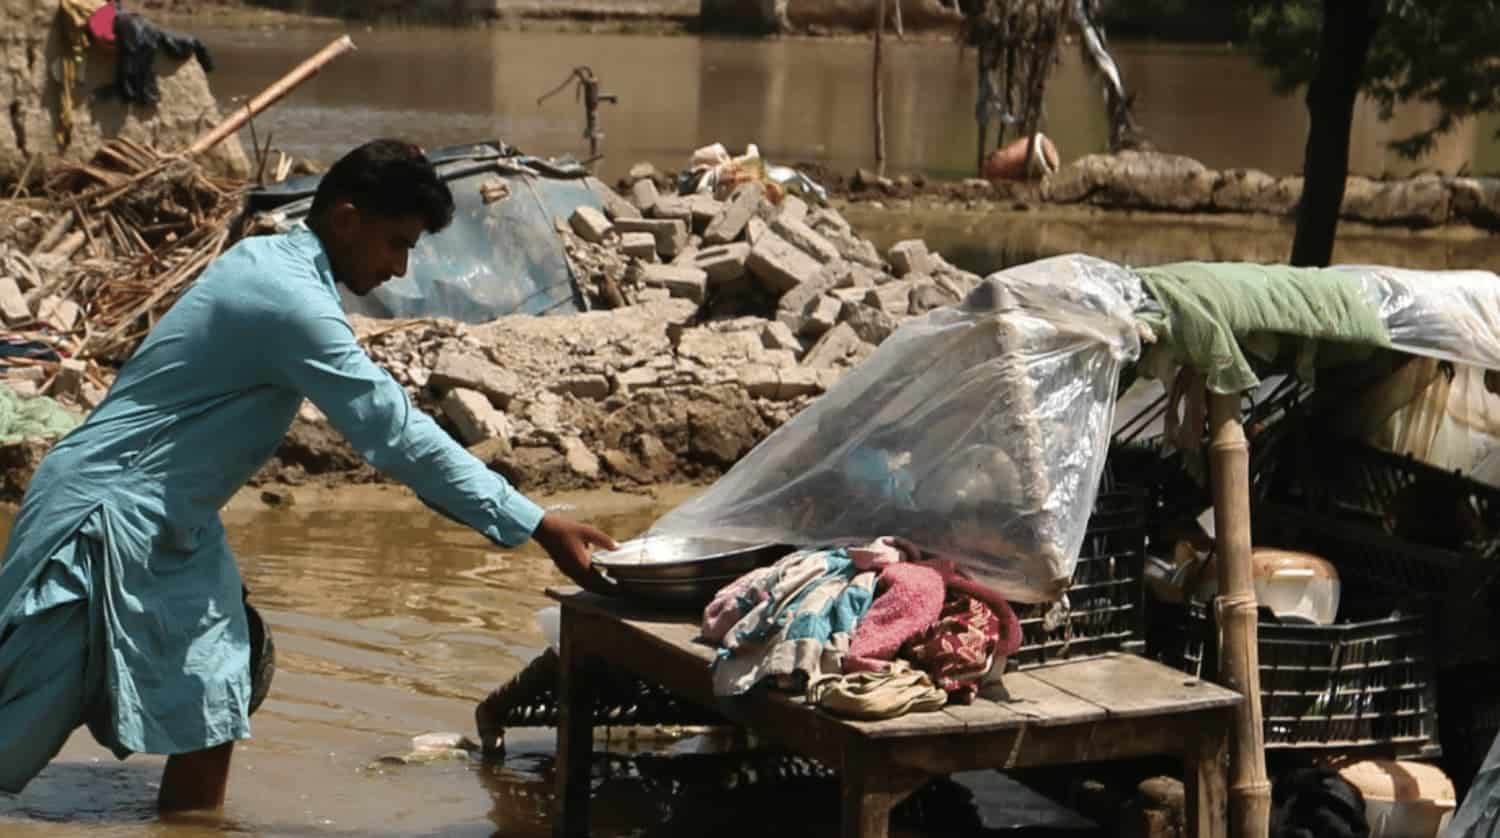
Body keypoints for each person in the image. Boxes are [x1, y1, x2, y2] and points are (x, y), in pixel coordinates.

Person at [0, 139, 617, 811]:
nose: (398, 268)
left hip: (174, 524)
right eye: (395, 244)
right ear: (347, 219)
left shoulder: (273, 266)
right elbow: (395, 434)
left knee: (218, 691)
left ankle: (190, 824)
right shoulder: (289, 299)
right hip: (102, 518)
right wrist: (535, 522)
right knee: (16, 734)